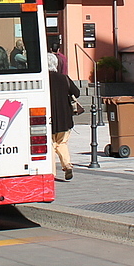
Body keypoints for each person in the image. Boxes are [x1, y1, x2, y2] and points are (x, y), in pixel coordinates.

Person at [48, 52, 81, 181]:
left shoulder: (43, 79)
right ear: (55, 64)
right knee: (62, 143)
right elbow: (76, 93)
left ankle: (51, 173)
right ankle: (67, 165)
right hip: (64, 118)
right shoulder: (64, 78)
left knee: (50, 145)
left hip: (49, 119)